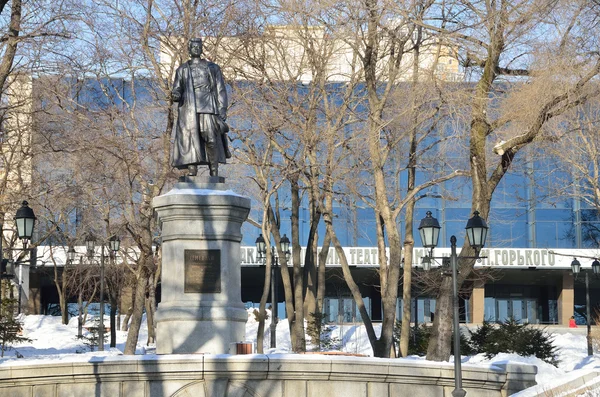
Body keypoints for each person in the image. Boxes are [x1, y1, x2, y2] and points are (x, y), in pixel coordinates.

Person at [171, 38, 230, 177]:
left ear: (202, 48)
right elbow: (177, 88)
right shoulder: (182, 69)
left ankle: (214, 170)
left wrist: (222, 109)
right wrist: (176, 94)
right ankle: (192, 170)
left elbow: (220, 89)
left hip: (209, 107)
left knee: (211, 139)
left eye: (199, 46)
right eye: (193, 46)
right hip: (189, 109)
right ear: (189, 49)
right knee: (191, 139)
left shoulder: (212, 68)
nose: (196, 49)